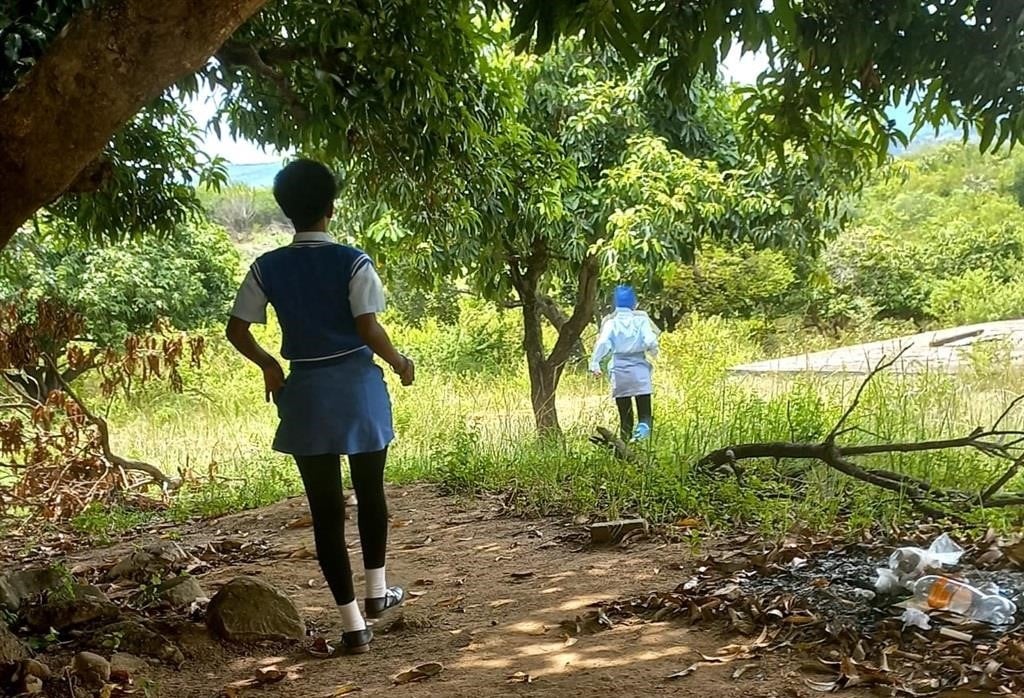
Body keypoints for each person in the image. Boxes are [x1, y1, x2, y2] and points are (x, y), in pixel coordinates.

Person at [225, 159, 413, 655]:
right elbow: (368, 327)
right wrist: (398, 361)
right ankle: (378, 593)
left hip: (305, 395)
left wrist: (270, 366)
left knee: (325, 511)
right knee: (371, 494)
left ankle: (353, 625)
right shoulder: (353, 261)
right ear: (332, 207)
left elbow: (237, 329)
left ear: (287, 211)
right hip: (357, 390)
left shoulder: (266, 266)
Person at [589, 285, 660, 442]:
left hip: (619, 371)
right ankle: (641, 440)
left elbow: (602, 343)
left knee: (625, 418)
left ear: (616, 304)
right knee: (645, 416)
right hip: (640, 370)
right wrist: (655, 353)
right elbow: (650, 340)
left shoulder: (611, 323)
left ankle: (625, 447)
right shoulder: (641, 320)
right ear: (634, 303)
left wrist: (594, 364)